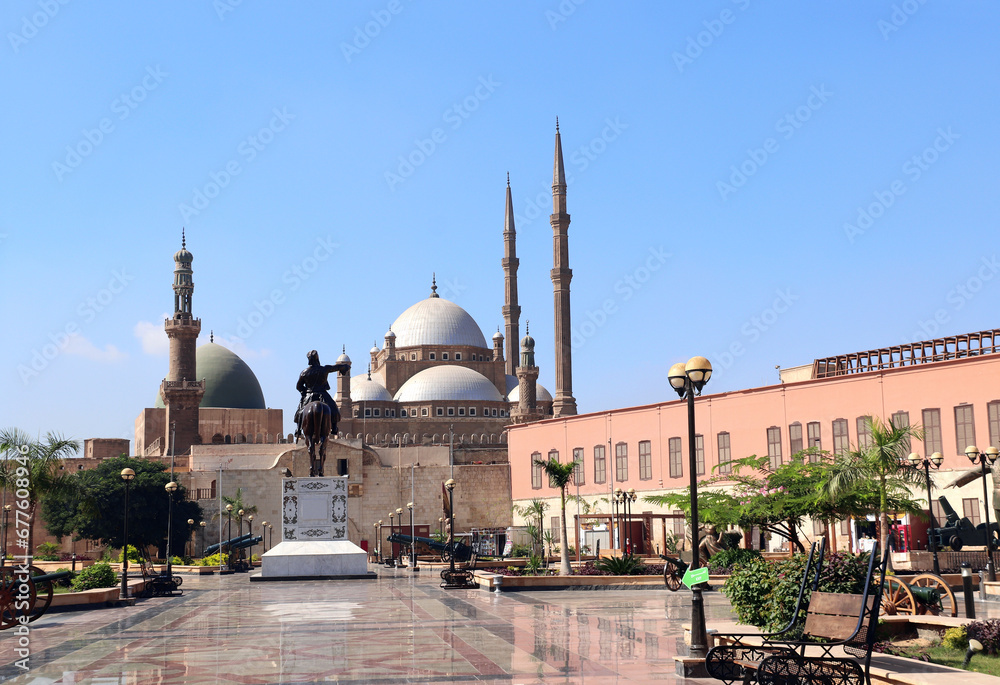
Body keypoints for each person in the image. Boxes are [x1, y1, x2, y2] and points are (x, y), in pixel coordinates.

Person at [294, 350, 350, 439]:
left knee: (299, 412)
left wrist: (304, 392)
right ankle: (334, 428)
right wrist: (346, 366)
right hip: (323, 395)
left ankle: (298, 430)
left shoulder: (304, 372)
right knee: (334, 409)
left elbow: (298, 386)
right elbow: (336, 367)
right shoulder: (324, 369)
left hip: (309, 395)